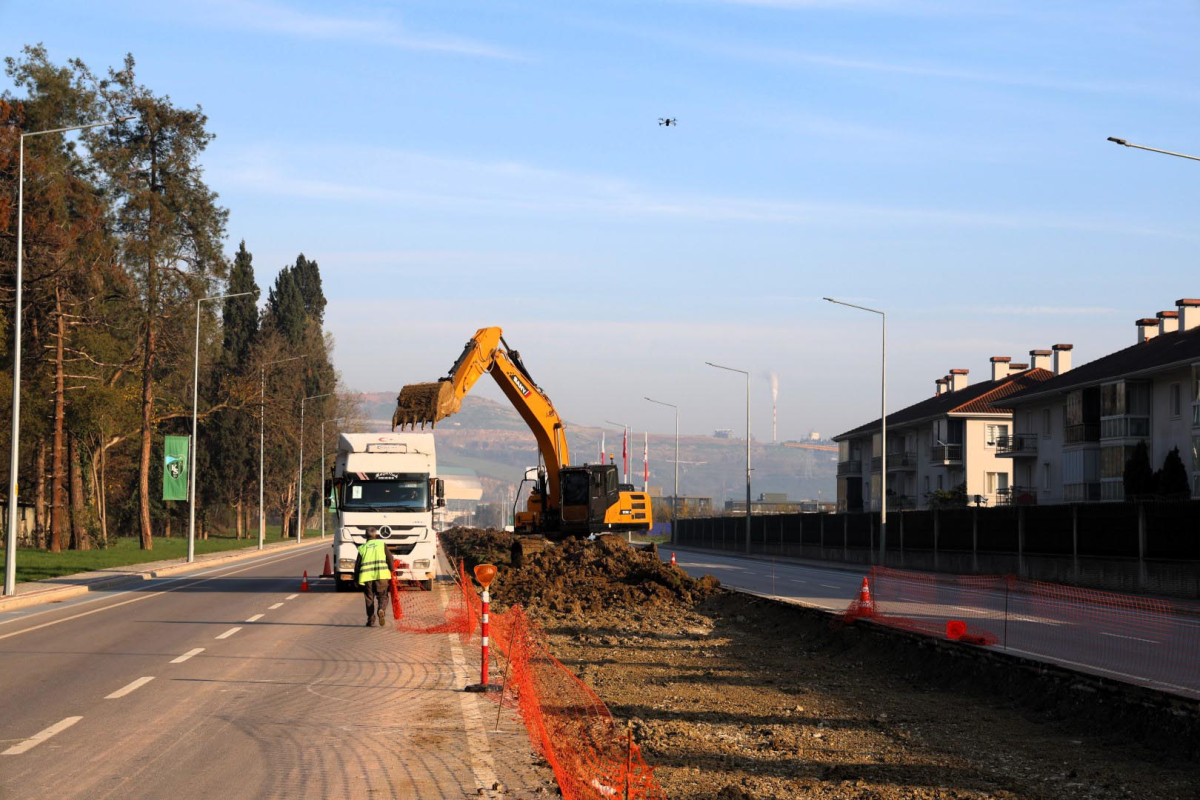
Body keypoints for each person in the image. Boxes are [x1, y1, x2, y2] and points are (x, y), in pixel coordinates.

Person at [355, 529, 392, 627]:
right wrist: (391, 569)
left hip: (367, 578)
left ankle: (371, 620)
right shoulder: (381, 545)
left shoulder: (363, 548)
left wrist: (356, 579)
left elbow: (357, 565)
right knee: (383, 596)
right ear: (376, 535)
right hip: (381, 576)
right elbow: (390, 558)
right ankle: (381, 609)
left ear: (365, 536)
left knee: (369, 598)